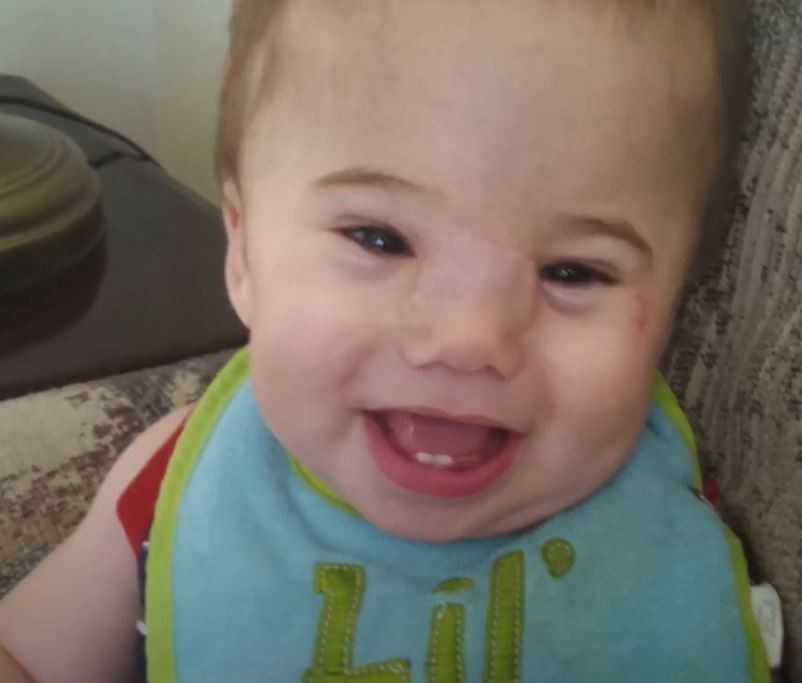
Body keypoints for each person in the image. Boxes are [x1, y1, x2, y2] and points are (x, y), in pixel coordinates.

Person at [0, 1, 768, 681]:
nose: (467, 340)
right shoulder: (174, 484)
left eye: (573, 271)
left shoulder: (658, 538)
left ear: (676, 299)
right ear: (244, 256)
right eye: (380, 238)